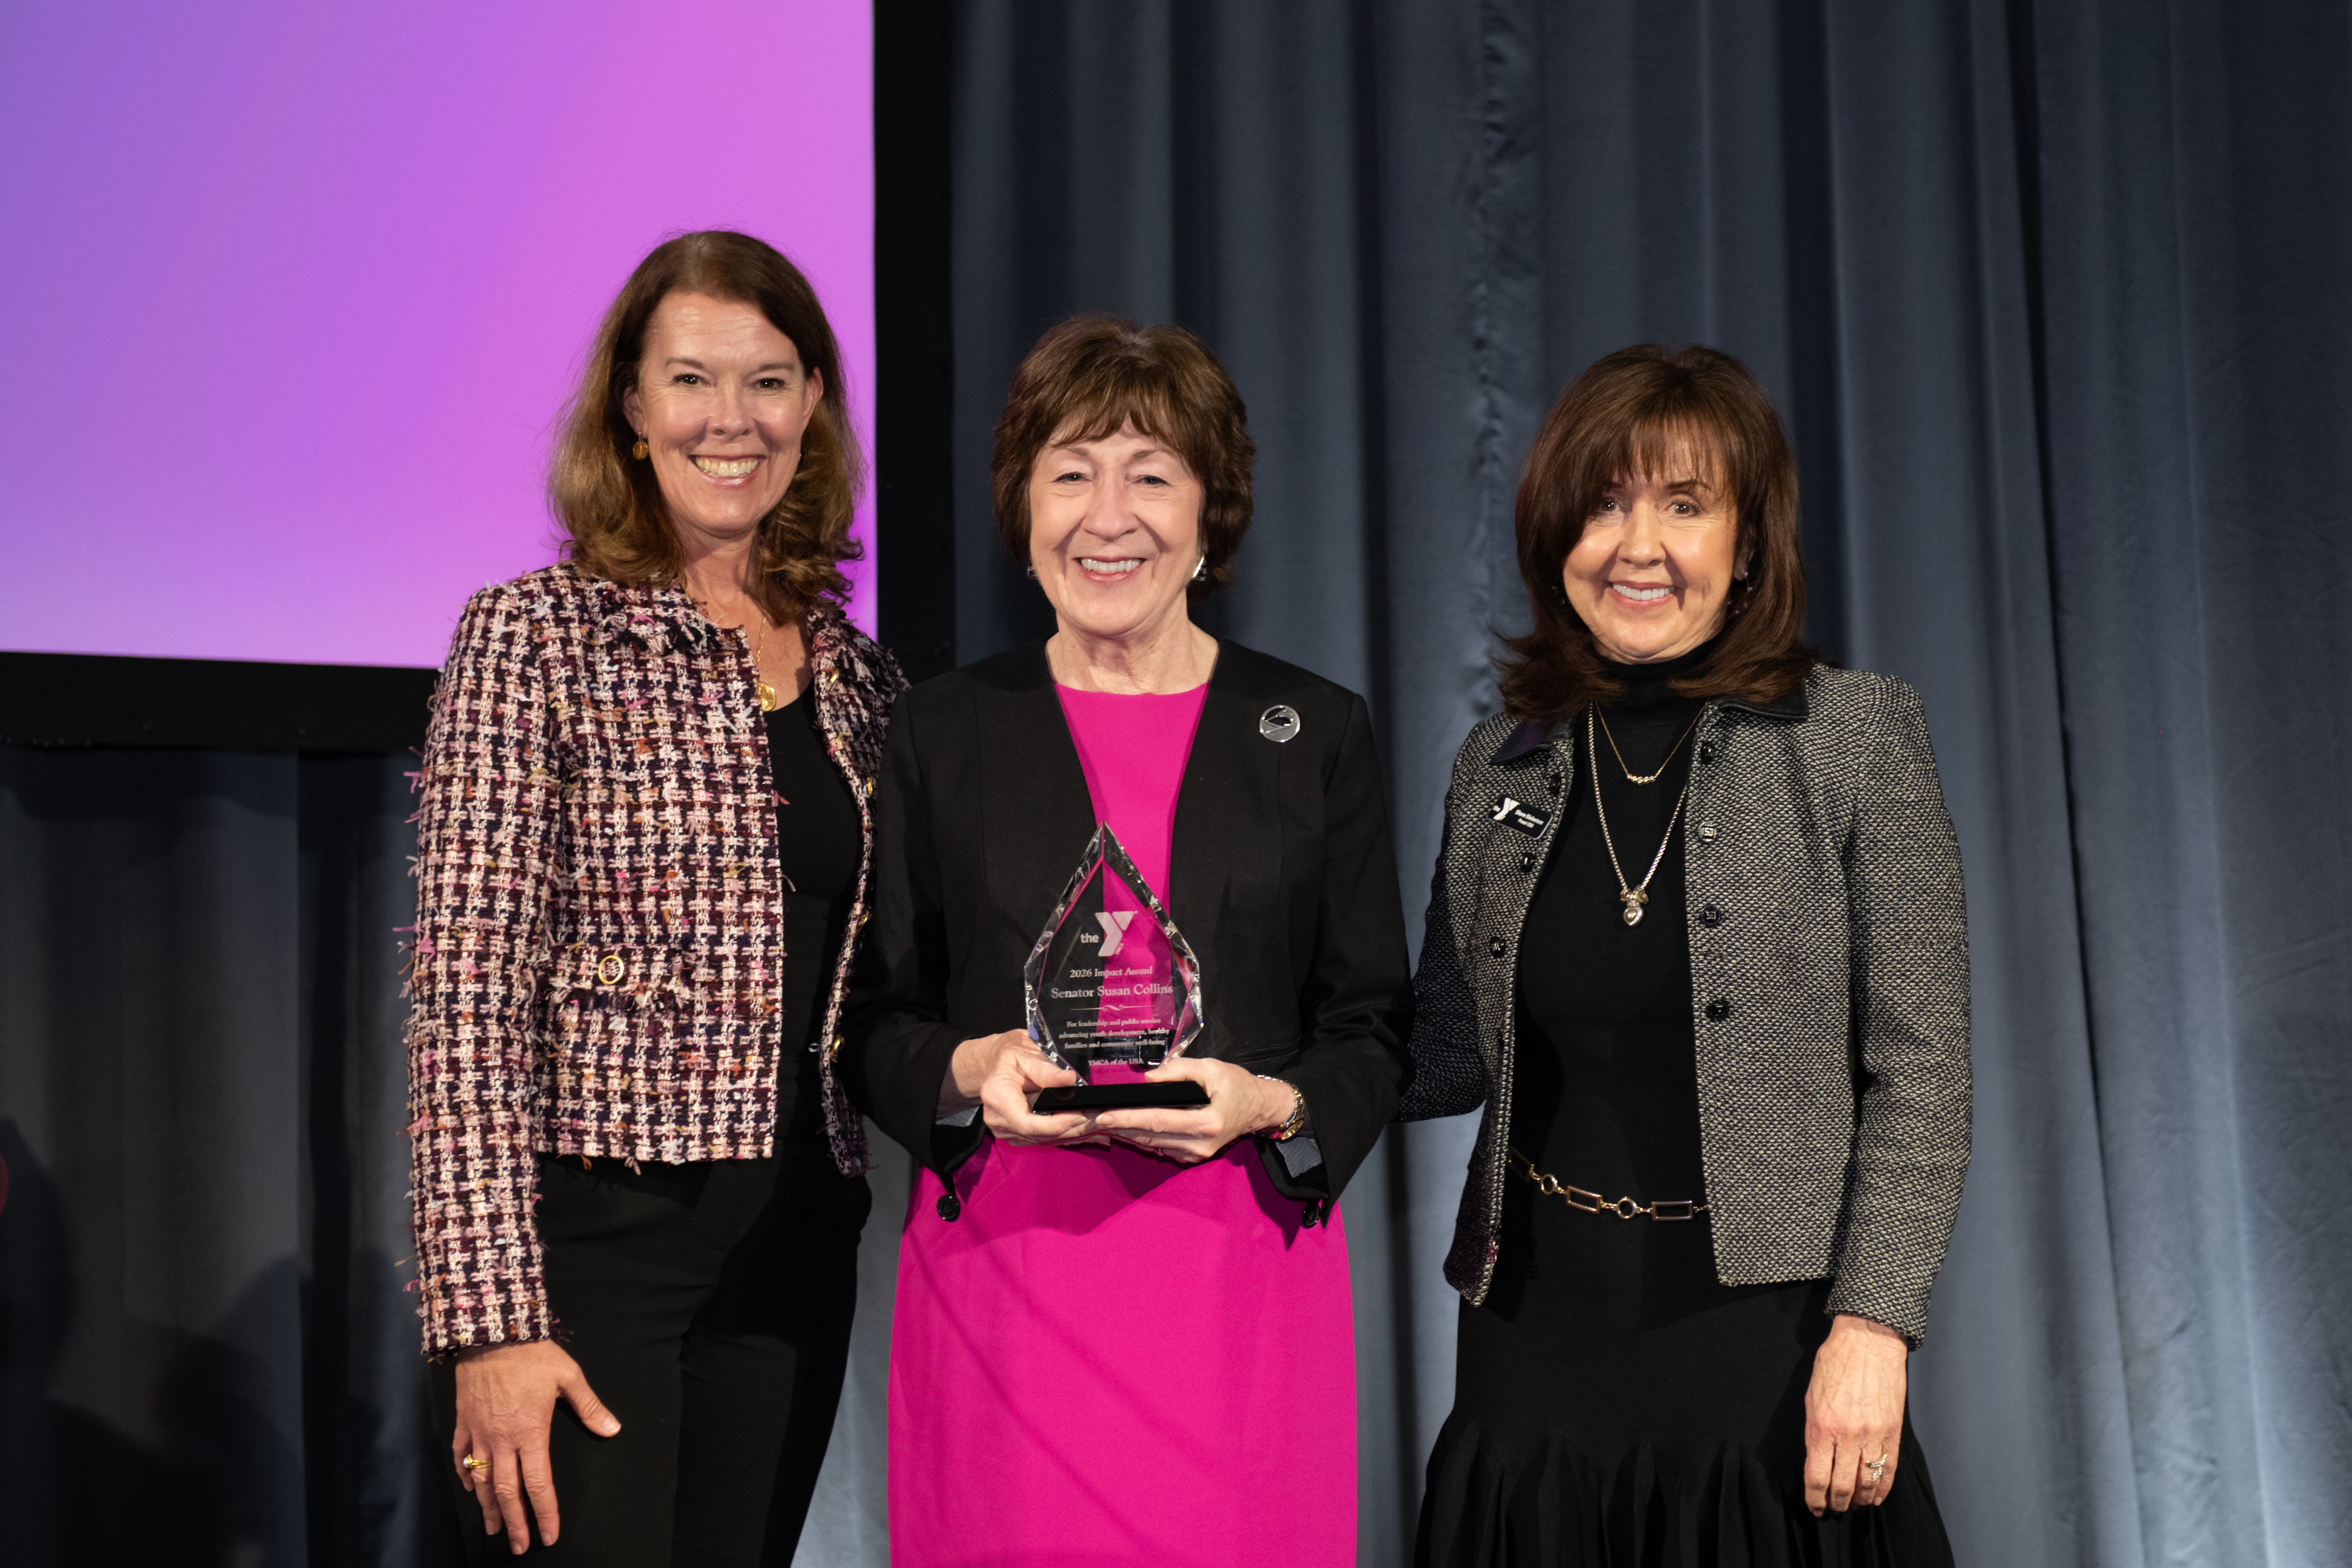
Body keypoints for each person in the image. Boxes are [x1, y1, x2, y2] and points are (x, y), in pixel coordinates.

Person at [842, 316, 1412, 1568]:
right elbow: (875, 1020)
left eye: (1151, 473)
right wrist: (965, 1072)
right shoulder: (943, 731)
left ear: (1211, 515)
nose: (1110, 515)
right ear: (1023, 511)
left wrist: (1272, 1102)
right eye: (1070, 473)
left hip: (1239, 1289)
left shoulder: (1310, 730)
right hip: (1007, 1289)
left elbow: (1375, 1027)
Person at [1403, 344, 1969, 1565]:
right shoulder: (1500, 760)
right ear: (1558, 534)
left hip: (1765, 1344)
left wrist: (1875, 1328)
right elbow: (1443, 1053)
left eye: (1684, 503)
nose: (1637, 544)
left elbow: (1922, 1074)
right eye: (1604, 503)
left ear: (1749, 542)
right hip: (1533, 1338)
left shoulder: (1856, 735)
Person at [406, 229, 903, 1564]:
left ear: (813, 406)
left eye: (769, 381)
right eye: (691, 380)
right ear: (631, 409)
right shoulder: (531, 636)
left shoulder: (862, 675)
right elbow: (466, 1004)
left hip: (797, 1243)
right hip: (595, 1252)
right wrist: (492, 1320)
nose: (730, 420)